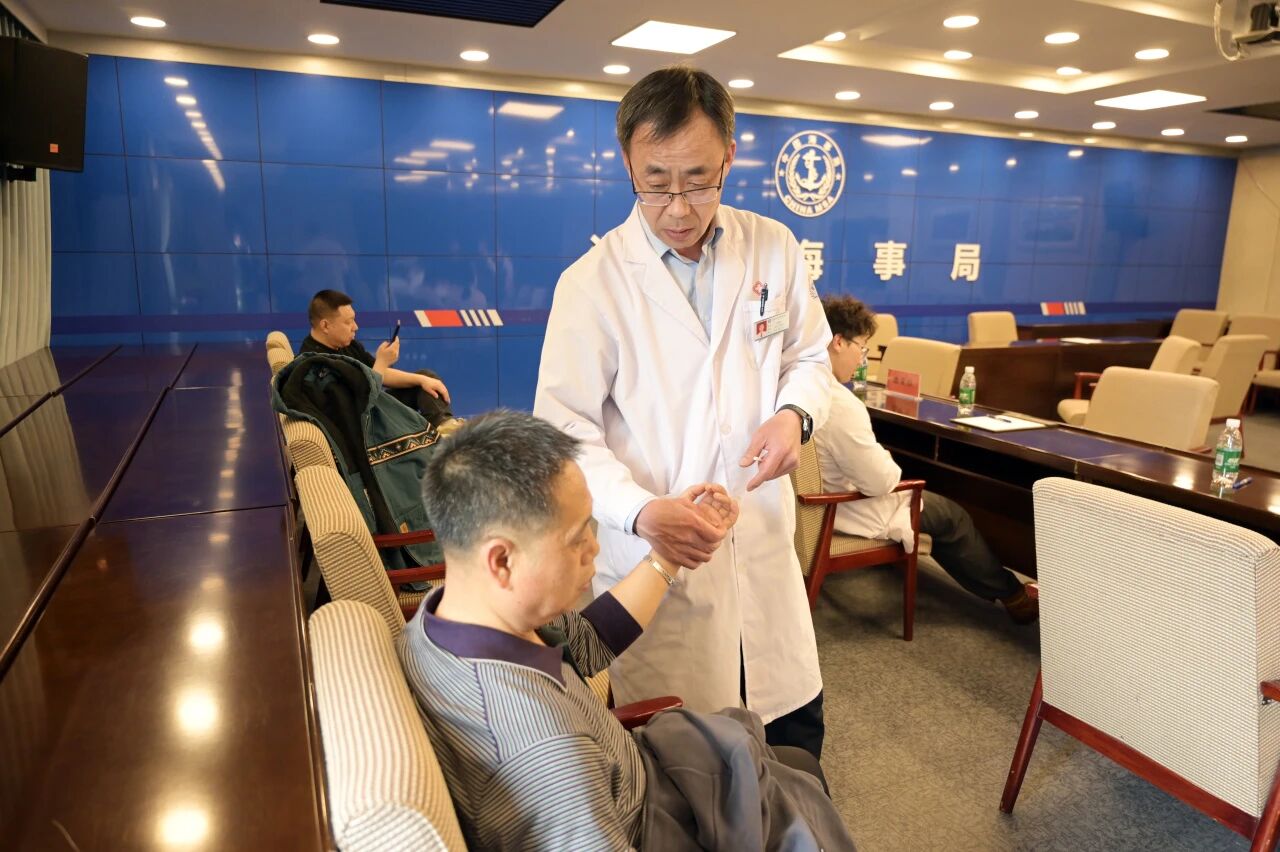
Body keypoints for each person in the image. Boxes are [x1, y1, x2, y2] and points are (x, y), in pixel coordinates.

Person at [534, 67, 833, 759]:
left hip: (762, 546)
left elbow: (811, 356)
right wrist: (640, 511)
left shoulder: (774, 247)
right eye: (656, 182)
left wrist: (794, 415)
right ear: (626, 162)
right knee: (693, 771)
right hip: (657, 565)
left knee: (794, 753)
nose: (677, 206)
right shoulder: (591, 284)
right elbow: (563, 430)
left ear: (729, 156)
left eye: (698, 181)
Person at [398, 411, 857, 851]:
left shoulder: (450, 617)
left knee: (795, 767)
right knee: (801, 791)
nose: (594, 548)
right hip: (653, 824)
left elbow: (586, 642)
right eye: (577, 537)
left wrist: (669, 555)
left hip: (632, 778)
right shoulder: (546, 751)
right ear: (501, 559)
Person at [815, 296, 1038, 623]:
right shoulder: (842, 405)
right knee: (951, 516)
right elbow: (880, 483)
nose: (862, 359)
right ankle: (1014, 597)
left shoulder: (799, 385)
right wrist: (886, 459)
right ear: (838, 342)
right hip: (843, 508)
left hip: (814, 504)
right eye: (862, 348)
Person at [300, 289, 460, 432]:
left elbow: (380, 373)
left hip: (374, 405)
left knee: (426, 379)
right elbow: (357, 407)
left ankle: (446, 429)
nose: (355, 327)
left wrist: (422, 380)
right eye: (348, 322)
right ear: (325, 326)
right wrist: (382, 362)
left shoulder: (346, 344)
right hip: (363, 424)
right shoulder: (314, 365)